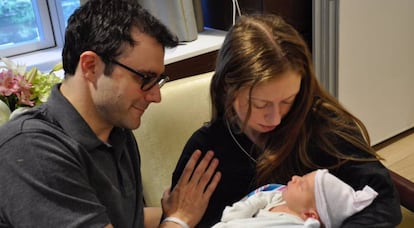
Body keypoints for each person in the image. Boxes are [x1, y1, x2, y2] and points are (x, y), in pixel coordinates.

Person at [0, 0, 221, 227]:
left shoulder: (116, 131)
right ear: (90, 66)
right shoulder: (31, 150)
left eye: (158, 81)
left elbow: (119, 219)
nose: (156, 96)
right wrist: (179, 219)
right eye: (144, 78)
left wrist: (189, 210)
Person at [171, 14, 401, 227]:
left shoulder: (323, 125)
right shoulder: (206, 151)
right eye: (260, 105)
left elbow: (383, 199)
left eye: (288, 100)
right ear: (227, 90)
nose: (276, 117)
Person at [212, 169, 378, 228]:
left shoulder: (295, 224)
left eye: (302, 185)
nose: (295, 178)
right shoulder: (277, 196)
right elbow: (255, 200)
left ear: (310, 215)